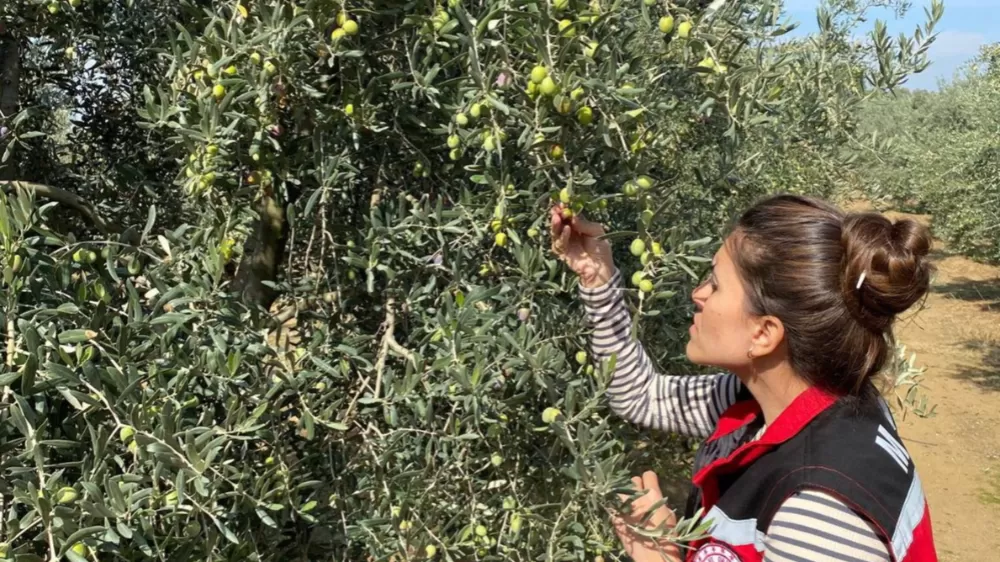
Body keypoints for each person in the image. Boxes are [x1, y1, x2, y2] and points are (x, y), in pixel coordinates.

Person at [550, 194, 938, 562]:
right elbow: (640, 395)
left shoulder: (817, 510)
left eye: (716, 284)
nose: (697, 294)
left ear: (764, 334)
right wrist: (598, 279)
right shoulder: (768, 403)